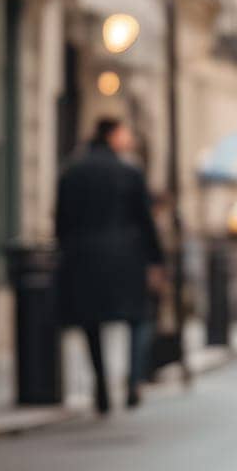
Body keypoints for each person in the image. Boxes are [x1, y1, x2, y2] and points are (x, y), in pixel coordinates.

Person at [56, 117, 165, 414]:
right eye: (125, 133)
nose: (128, 139)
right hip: (126, 258)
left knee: (91, 324)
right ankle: (131, 383)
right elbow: (145, 220)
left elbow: (61, 221)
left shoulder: (71, 171)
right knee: (138, 318)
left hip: (83, 257)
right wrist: (156, 260)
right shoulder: (129, 171)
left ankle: (101, 385)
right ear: (113, 135)